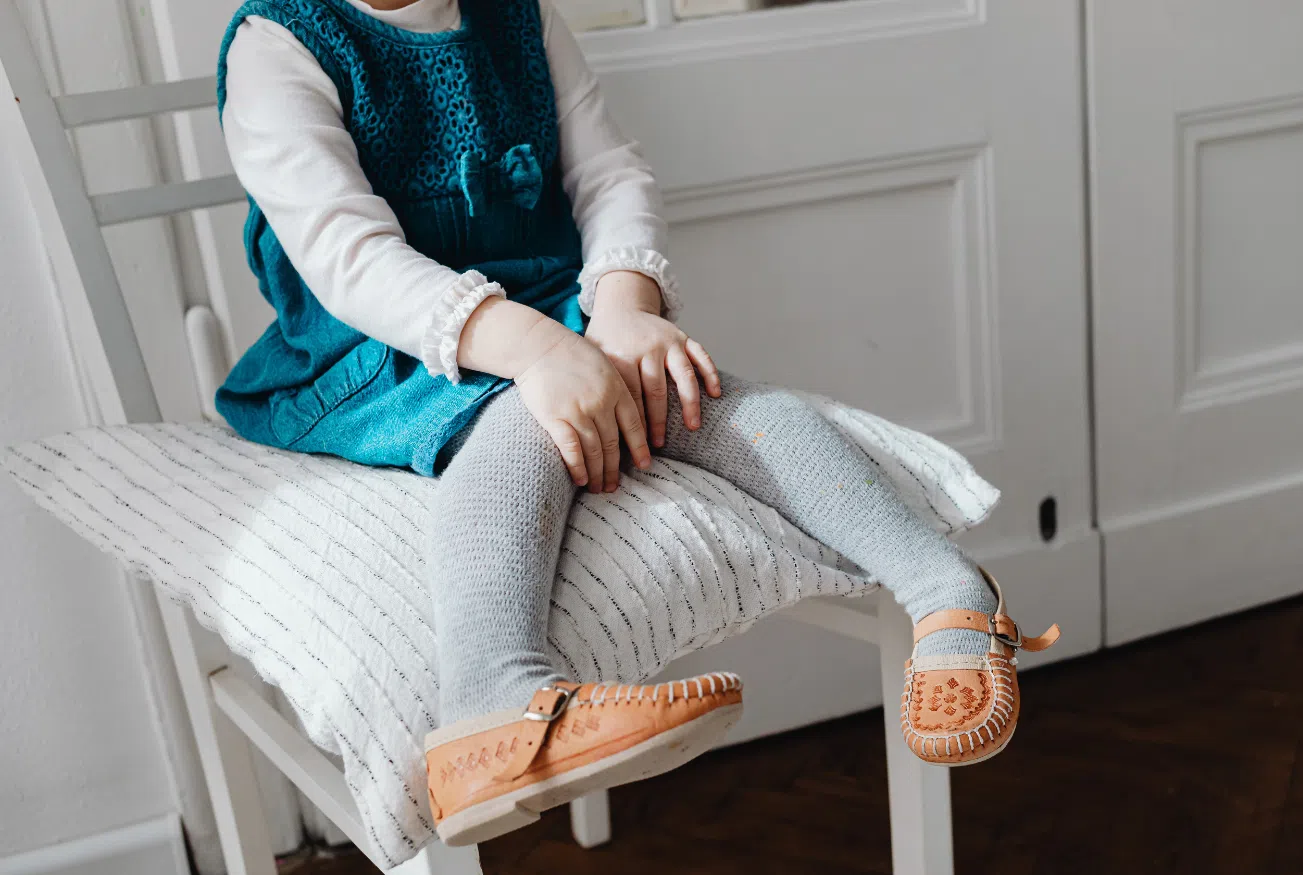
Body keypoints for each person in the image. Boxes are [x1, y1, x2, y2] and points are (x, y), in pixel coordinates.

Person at [216, 0, 1056, 846]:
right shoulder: (280, 44)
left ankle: (946, 589)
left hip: (548, 306)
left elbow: (608, 173)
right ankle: (488, 701)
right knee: (525, 419)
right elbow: (347, 255)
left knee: (702, 395)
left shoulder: (515, 15)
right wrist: (539, 355)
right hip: (371, 351)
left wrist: (621, 306)